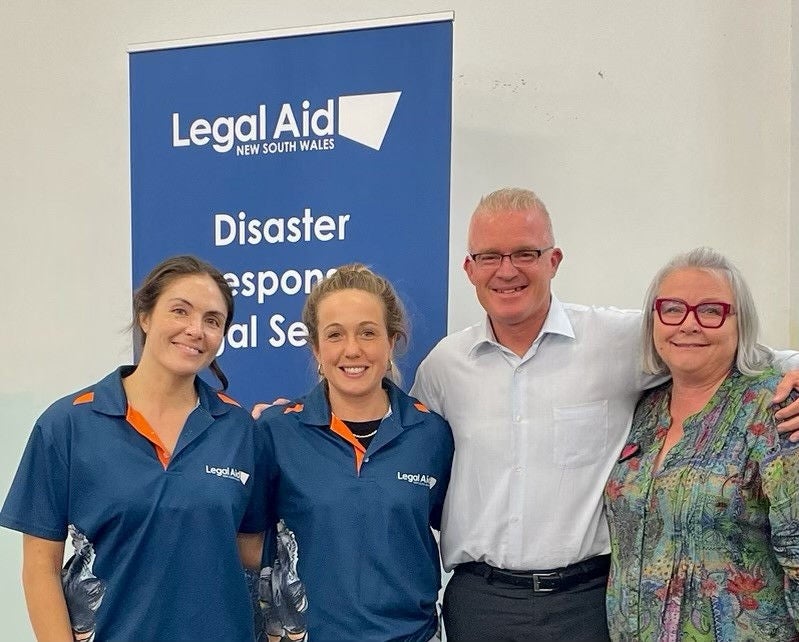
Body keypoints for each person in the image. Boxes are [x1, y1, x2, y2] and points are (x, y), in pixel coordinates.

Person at [409, 188, 799, 642]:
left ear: (554, 260)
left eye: (525, 253)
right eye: (490, 256)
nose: (507, 270)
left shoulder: (618, 340)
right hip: (482, 602)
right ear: (469, 268)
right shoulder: (442, 367)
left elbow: (710, 342)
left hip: (589, 602)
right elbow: (414, 467)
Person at [0, 255, 267, 641]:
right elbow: (40, 568)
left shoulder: (240, 429)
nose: (196, 330)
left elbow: (253, 550)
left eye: (213, 320)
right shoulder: (68, 424)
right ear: (145, 316)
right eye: (180, 311)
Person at [604, 247, 799, 640]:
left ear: (740, 324)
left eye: (711, 310)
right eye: (672, 308)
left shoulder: (774, 409)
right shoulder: (645, 410)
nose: (688, 325)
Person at [255, 263, 454, 642]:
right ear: (315, 347)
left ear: (391, 342)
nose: (352, 350)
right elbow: (248, 543)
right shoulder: (275, 431)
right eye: (335, 335)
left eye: (368, 333)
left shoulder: (431, 435)